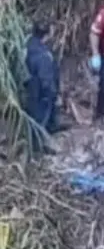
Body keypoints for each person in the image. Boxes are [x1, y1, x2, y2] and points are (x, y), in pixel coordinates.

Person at [24, 20, 64, 155]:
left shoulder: (30, 44)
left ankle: (52, 127)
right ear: (47, 34)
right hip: (42, 93)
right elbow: (46, 79)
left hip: (32, 88)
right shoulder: (43, 56)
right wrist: (54, 95)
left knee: (41, 114)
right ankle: (38, 148)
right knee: (41, 118)